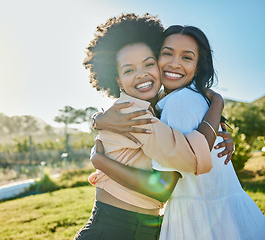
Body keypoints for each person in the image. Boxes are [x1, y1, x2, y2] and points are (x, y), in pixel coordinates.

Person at [92, 24, 265, 239]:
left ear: (198, 66)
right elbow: (191, 158)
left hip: (153, 223)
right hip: (117, 226)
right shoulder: (152, 108)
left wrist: (100, 154)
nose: (174, 63)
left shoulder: (174, 103)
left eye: (187, 57)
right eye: (167, 54)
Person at [74, 13, 231, 240]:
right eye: (129, 70)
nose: (142, 74)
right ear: (116, 79)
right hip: (114, 228)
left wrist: (97, 119)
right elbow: (188, 159)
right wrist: (217, 102)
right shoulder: (134, 113)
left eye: (148, 64)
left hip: (137, 227)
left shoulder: (149, 107)